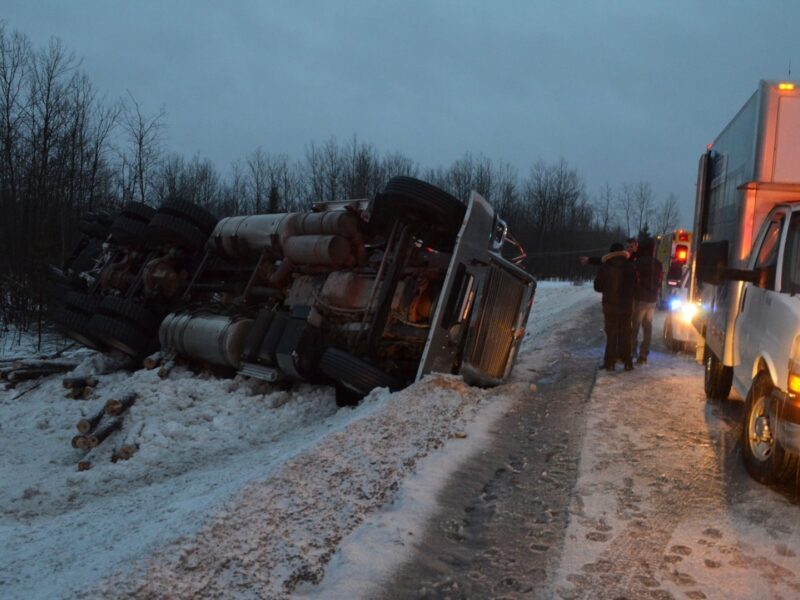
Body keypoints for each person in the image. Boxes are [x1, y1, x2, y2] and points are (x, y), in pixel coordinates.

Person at [594, 242, 636, 371]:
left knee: (611, 335)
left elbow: (597, 287)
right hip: (626, 306)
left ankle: (610, 362)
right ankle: (627, 362)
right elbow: (635, 286)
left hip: (610, 307)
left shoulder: (605, 267)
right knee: (626, 334)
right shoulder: (630, 266)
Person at [631, 237, 663, 364]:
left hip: (640, 298)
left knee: (635, 326)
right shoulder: (658, 263)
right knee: (647, 326)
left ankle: (631, 351)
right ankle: (644, 354)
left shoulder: (638, 262)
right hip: (653, 299)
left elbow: (633, 280)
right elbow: (660, 281)